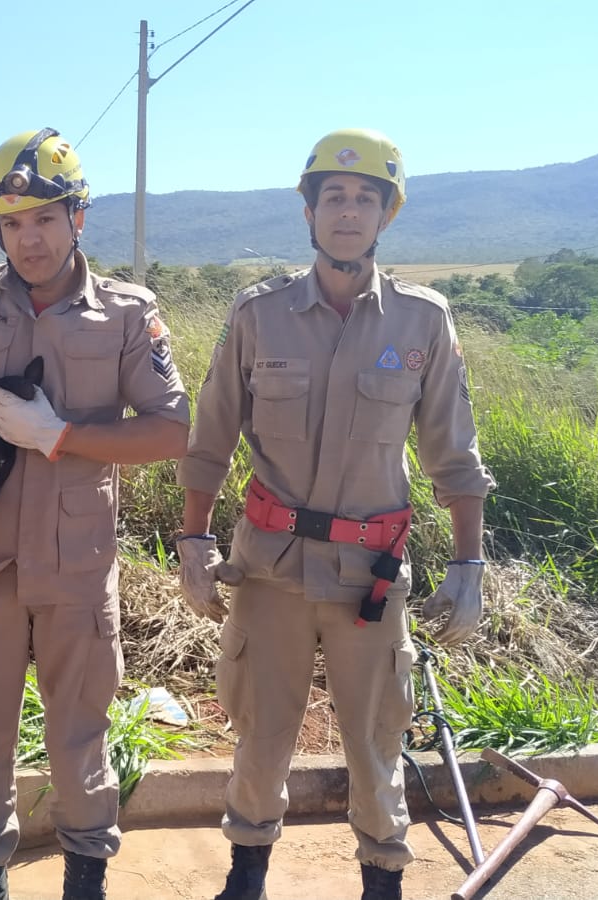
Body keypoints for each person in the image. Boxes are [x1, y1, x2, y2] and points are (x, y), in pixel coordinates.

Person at [175, 128, 495, 900]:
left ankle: (381, 878)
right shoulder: (261, 313)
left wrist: (468, 566)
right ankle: (245, 875)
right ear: (310, 210)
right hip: (270, 574)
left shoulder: (422, 322)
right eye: (333, 197)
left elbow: (455, 453)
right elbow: (210, 436)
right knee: (259, 739)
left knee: (377, 743)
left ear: (386, 214)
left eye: (365, 198)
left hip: (368, 585)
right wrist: (192, 540)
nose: (347, 212)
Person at [0, 128, 190, 900]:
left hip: (76, 565)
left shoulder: (127, 314)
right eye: (11, 224)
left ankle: (85, 873)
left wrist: (61, 437)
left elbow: (171, 428)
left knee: (79, 731)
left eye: (45, 219)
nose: (28, 239)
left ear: (79, 219)